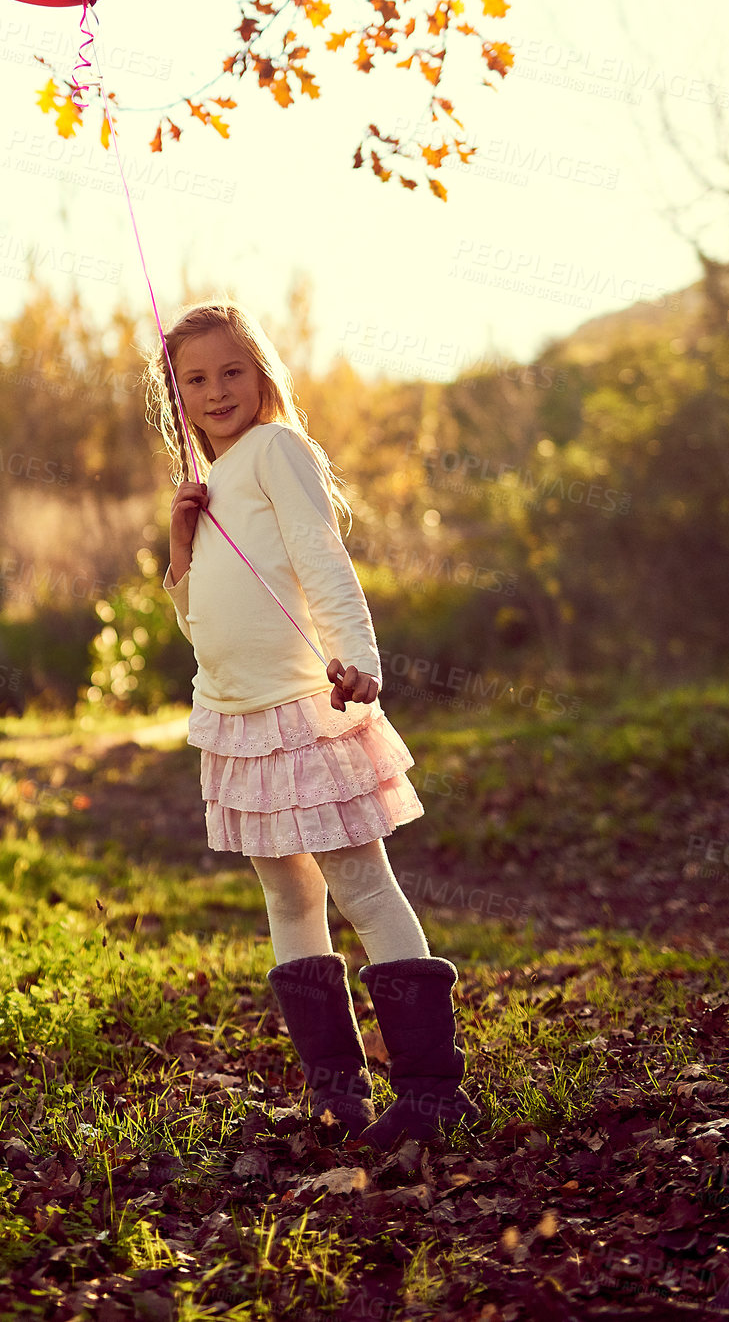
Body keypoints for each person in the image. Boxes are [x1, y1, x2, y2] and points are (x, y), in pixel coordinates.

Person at [144, 299, 476, 1149]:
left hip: (303, 707)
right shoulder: (203, 482)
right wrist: (180, 542)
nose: (216, 390)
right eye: (196, 379)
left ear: (262, 375)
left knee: (360, 884)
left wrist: (357, 653)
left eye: (232, 371)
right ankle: (337, 1092)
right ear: (173, 394)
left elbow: (324, 560)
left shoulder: (276, 451)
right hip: (234, 718)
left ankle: (432, 1092)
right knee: (287, 894)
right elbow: (198, 621)